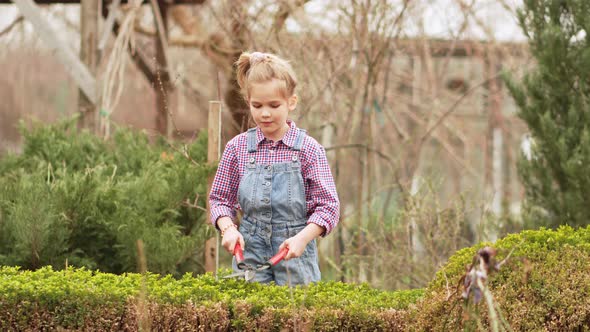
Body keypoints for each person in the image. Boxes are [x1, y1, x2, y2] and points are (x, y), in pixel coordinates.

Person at [209, 51, 340, 286]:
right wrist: (228, 229)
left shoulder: (309, 150)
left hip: (295, 252)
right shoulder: (237, 148)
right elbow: (219, 199)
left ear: (291, 102)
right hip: (249, 249)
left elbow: (328, 207)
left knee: (297, 318)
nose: (265, 113)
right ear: (248, 102)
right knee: (250, 317)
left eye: (274, 105)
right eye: (257, 105)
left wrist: (303, 238)